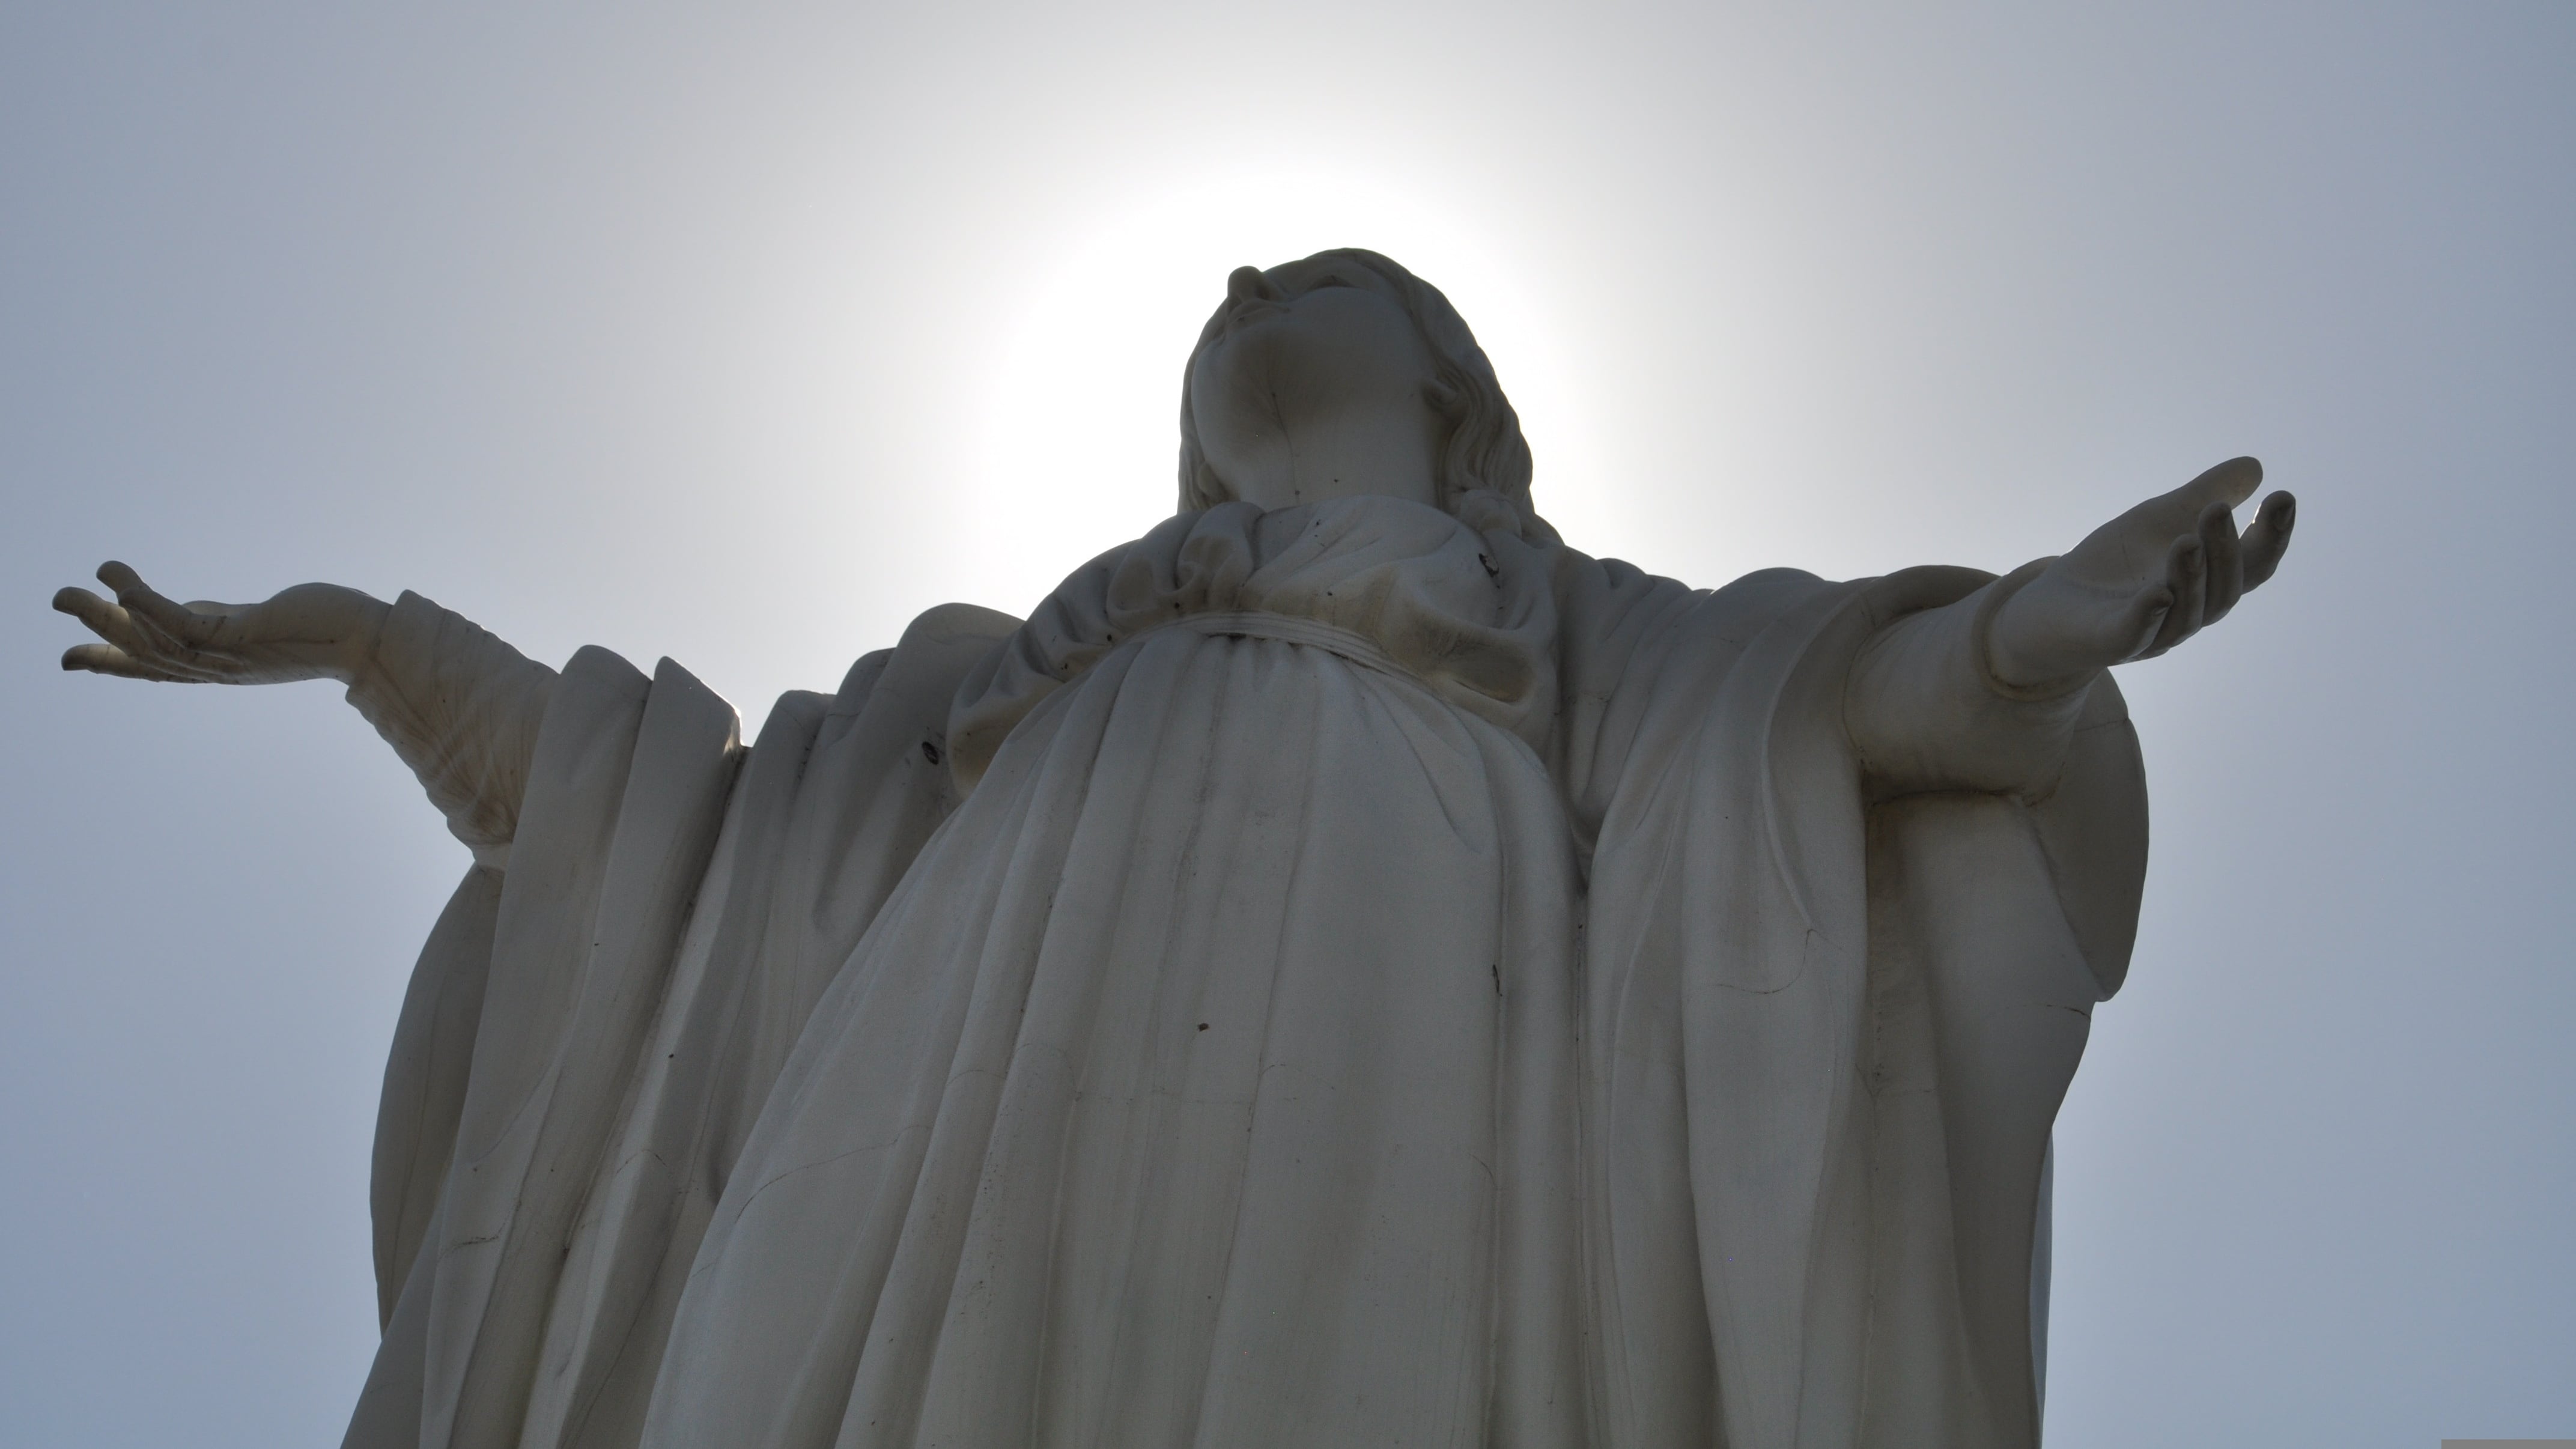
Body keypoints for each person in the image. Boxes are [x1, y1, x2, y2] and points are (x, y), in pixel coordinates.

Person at [56, 249, 2293, 1449]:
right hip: (949, 1047)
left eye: (1308, 276)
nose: (1236, 283)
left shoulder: (1568, 625)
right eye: (1219, 298)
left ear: (1451, 393)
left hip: (1401, 994)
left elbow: (1806, 731)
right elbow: (686, 849)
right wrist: (372, 642)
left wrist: (2018, 639)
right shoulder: (998, 670)